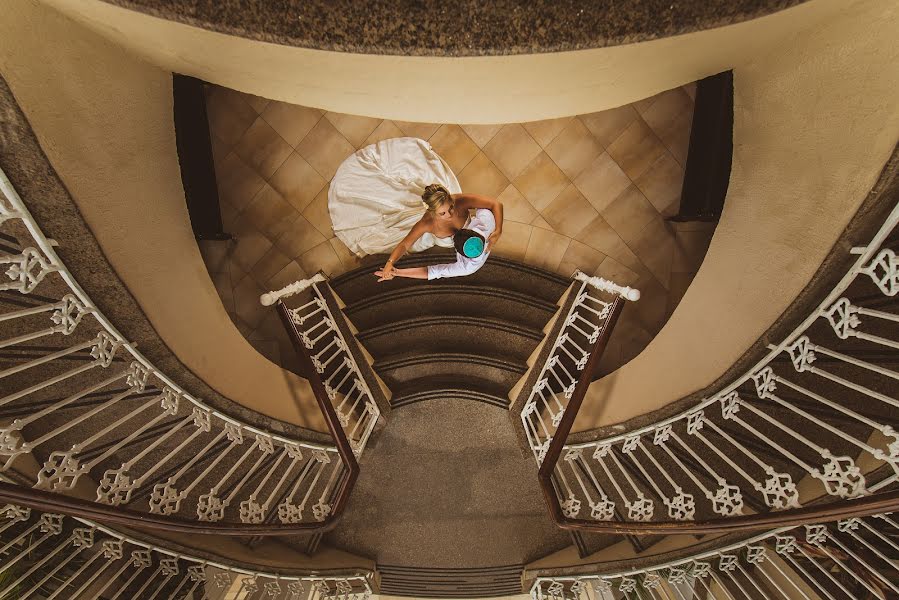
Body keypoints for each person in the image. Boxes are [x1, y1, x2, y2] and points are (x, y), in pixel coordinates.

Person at [375, 188, 501, 281]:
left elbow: (431, 272)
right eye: (443, 213)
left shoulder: (466, 267)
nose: (450, 214)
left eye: (451, 207)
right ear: (433, 213)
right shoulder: (427, 223)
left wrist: (397, 272)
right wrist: (390, 263)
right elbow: (405, 244)